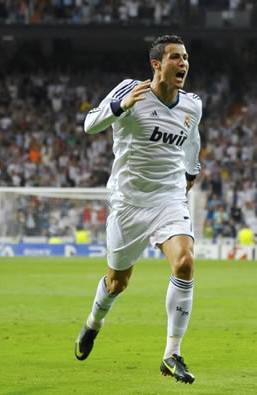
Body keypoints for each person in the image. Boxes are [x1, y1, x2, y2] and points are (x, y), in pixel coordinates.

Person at [75, 35, 201, 385]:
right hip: (129, 203)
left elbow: (192, 139)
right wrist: (120, 107)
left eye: (186, 57)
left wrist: (191, 172)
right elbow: (89, 124)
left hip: (169, 199)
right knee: (117, 283)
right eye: (175, 57)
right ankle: (93, 323)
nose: (184, 63)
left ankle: (171, 354)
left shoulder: (192, 105)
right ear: (157, 64)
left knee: (185, 262)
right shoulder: (131, 90)